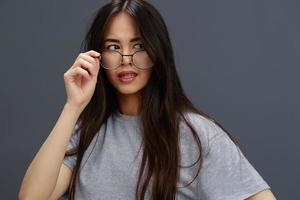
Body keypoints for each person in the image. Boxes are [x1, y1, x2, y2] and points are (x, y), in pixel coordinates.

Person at [19, 0, 277, 199]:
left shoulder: (195, 133)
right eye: (113, 47)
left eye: (139, 45)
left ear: (157, 52)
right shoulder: (85, 132)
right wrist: (72, 107)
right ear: (98, 55)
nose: (126, 59)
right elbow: (31, 197)